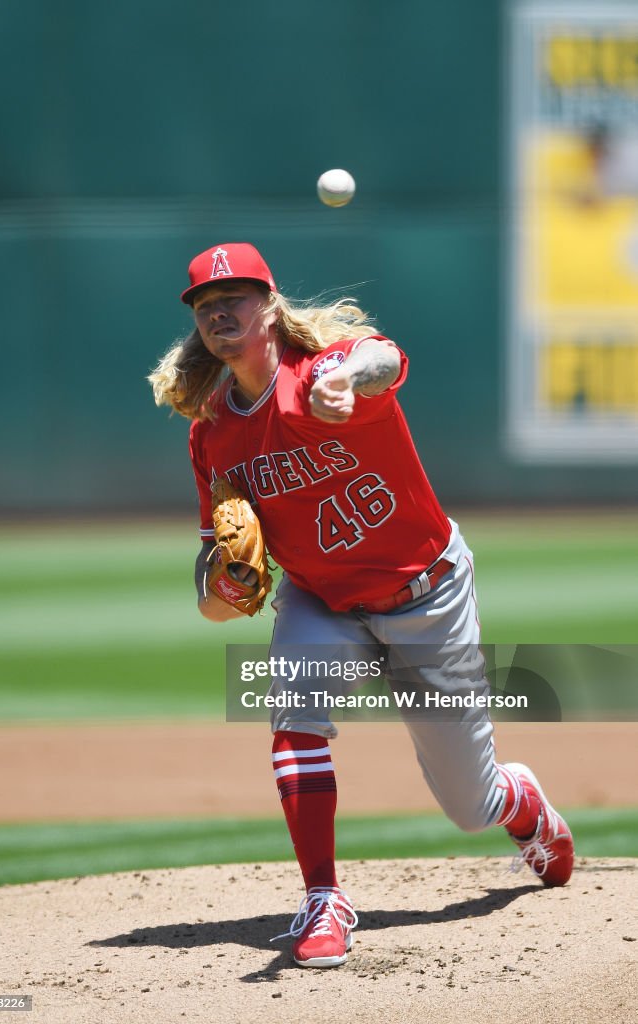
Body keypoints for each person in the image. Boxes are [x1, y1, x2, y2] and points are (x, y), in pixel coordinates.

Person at [149, 242, 574, 969]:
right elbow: (211, 592)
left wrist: (344, 376)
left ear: (271, 306)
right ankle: (322, 898)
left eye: (237, 298)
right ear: (198, 326)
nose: (222, 312)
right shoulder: (211, 434)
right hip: (322, 603)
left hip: (427, 593)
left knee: (469, 807)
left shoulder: (327, 370)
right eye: (206, 306)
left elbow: (386, 358)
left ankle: (520, 801)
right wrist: (219, 586)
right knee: (292, 717)